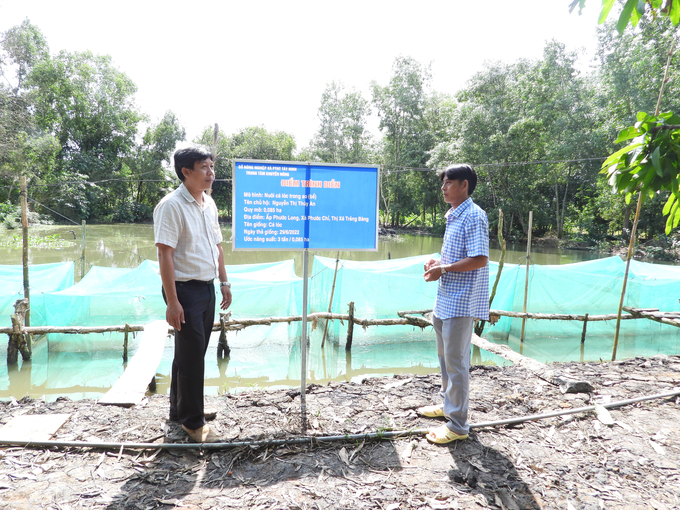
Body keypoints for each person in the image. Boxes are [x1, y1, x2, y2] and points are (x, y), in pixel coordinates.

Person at [153, 146, 232, 443]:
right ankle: (193, 423)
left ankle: (180, 409)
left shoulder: (208, 204)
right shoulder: (171, 205)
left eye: (212, 167)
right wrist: (173, 302)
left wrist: (224, 282)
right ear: (186, 171)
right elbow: (165, 255)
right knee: (192, 358)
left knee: (191, 354)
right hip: (184, 291)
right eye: (204, 167)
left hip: (207, 287)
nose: (211, 173)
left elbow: (218, 247)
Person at [419, 164, 489, 444]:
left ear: (464, 185)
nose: (443, 187)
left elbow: (480, 258)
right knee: (445, 358)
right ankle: (447, 405)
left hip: (462, 301)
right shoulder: (453, 215)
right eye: (443, 183)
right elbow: (456, 254)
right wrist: (438, 262)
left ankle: (458, 425)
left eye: (448, 182)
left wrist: (444, 269)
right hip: (445, 298)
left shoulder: (474, 215)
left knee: (457, 362)